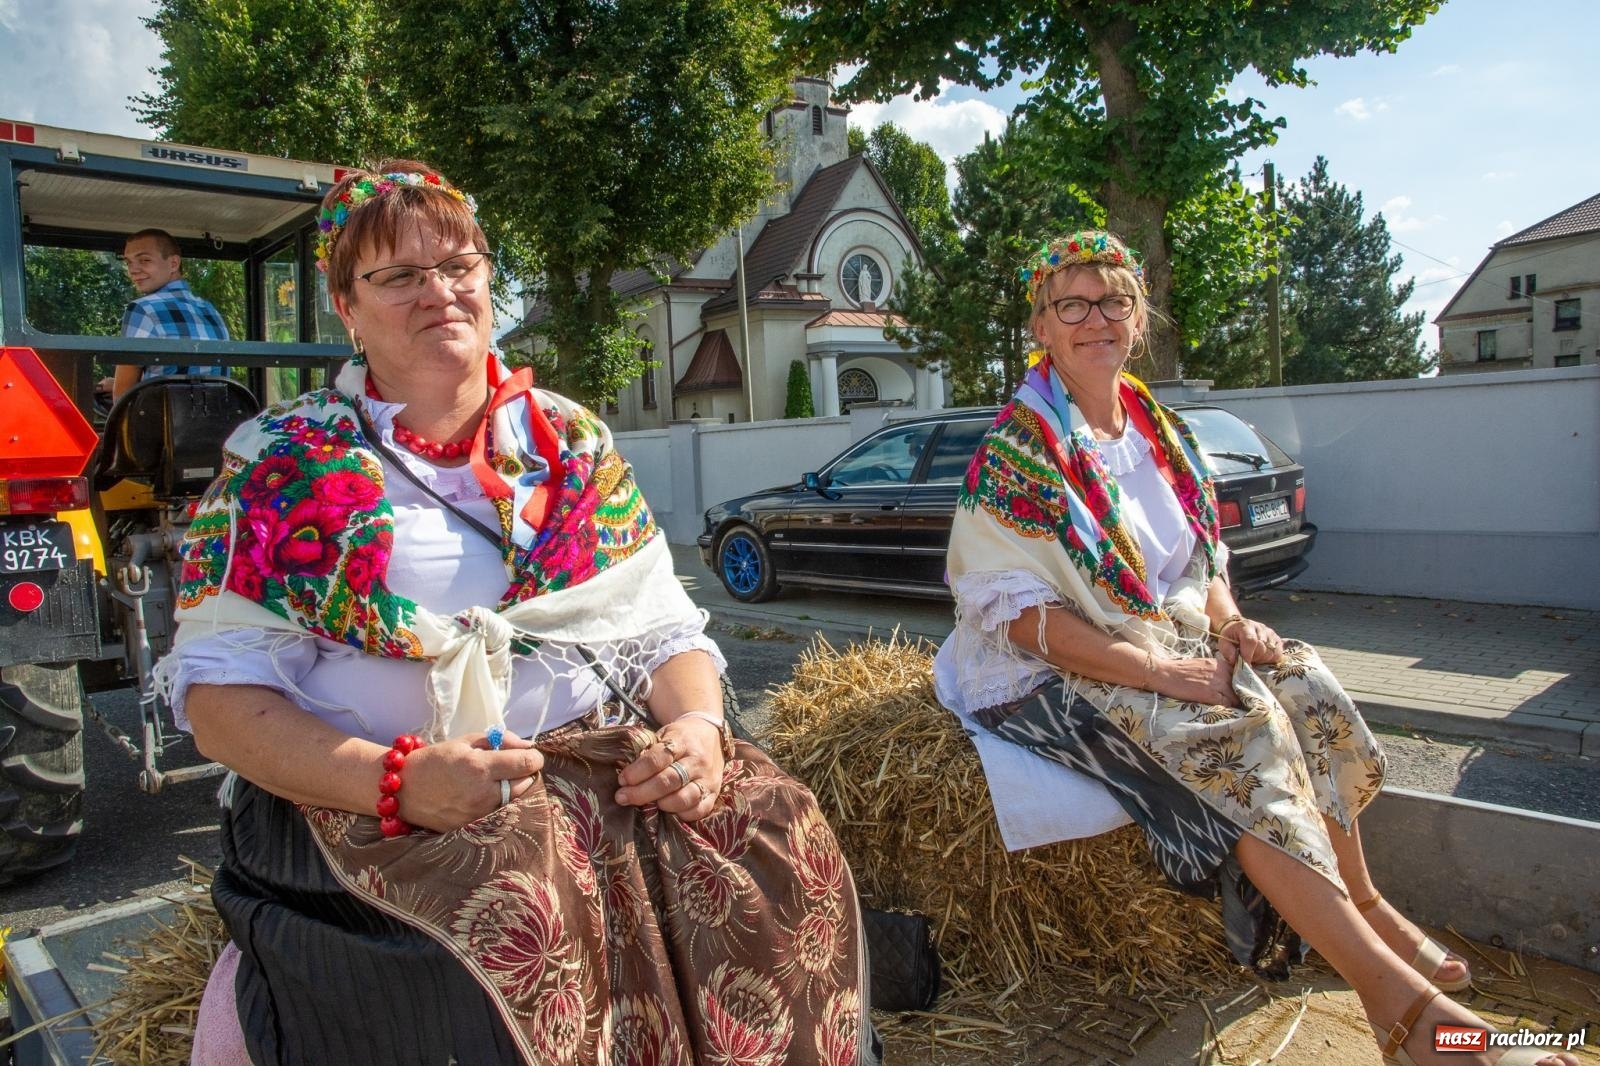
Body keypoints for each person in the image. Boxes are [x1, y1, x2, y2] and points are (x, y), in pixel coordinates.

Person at [156, 163, 874, 1065]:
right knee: (510, 919)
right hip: (372, 807)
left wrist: (695, 727)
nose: (440, 293)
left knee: (774, 837)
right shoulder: (279, 461)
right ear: (346, 304)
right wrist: (397, 781)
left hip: (591, 776)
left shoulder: (568, 440)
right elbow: (223, 703)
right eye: (399, 276)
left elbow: (660, 630)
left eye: (460, 266)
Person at [932, 229, 1575, 1066]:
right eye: (1072, 305)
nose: (1097, 319)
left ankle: (1368, 903)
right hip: (1051, 662)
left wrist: (1233, 623)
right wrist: (1165, 672)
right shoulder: (1017, 452)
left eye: (1114, 301)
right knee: (1236, 736)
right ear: (1042, 328)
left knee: (1302, 683)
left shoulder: (1160, 432)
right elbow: (1011, 616)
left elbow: (1198, 561)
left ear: (1140, 316)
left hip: (1166, 632)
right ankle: (1411, 1020)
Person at [108, 228, 227, 400]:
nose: (133, 270)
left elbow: (122, 397)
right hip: (218, 418)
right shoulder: (210, 310)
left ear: (173, 263)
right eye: (128, 263)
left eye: (144, 260)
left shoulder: (142, 309)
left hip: (163, 421)